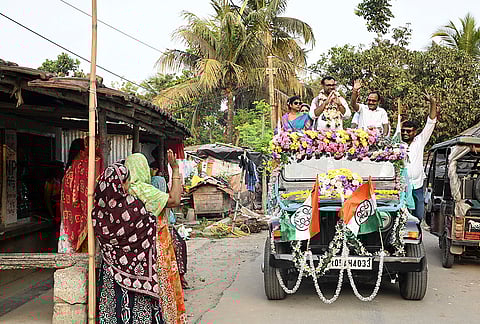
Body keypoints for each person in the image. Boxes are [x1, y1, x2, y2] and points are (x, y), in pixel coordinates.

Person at [93, 161, 165, 323]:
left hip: (111, 270)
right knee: (138, 308)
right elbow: (149, 226)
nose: (128, 185)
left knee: (113, 305)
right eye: (126, 181)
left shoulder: (98, 211)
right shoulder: (132, 205)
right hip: (138, 273)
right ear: (120, 183)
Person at [125, 151, 186, 324]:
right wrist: (174, 170)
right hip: (154, 247)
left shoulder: (125, 190)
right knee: (161, 287)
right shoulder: (144, 190)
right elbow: (174, 200)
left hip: (133, 251)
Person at [58, 138, 103, 253]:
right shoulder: (80, 170)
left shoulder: (69, 170)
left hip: (68, 218)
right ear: (82, 152)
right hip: (76, 217)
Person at [401, 93, 439, 221]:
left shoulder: (420, 141)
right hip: (401, 186)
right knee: (401, 217)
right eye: (403, 131)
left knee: (418, 215)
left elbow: (431, 122)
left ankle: (417, 236)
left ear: (415, 132)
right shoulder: (396, 144)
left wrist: (432, 102)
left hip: (417, 185)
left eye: (408, 131)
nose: (405, 133)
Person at [44, 161, 64, 240]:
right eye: (60, 169)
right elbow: (47, 199)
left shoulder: (62, 180)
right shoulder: (50, 182)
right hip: (55, 210)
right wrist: (52, 214)